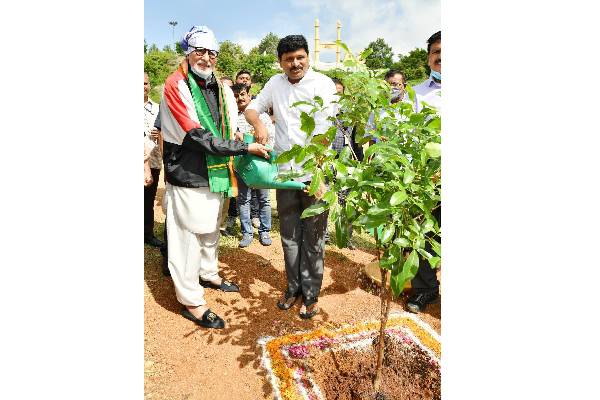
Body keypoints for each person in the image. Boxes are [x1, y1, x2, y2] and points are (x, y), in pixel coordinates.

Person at [160, 25, 270, 329]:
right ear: (188, 52)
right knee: (187, 237)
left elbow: (228, 122)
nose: (206, 57)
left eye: (212, 52)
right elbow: (197, 135)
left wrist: (236, 134)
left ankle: (208, 273)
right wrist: (243, 146)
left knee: (211, 228)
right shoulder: (175, 85)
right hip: (188, 170)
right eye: (200, 51)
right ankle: (191, 301)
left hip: (217, 170)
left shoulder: (218, 86)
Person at [244, 34, 337, 319]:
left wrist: (320, 174)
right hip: (284, 175)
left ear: (308, 57)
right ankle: (293, 287)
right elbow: (251, 108)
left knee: (314, 237)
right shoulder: (275, 83)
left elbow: (327, 133)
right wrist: (258, 121)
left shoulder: (323, 84)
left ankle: (310, 295)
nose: (295, 64)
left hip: (313, 175)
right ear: (280, 63)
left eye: (300, 57)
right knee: (289, 236)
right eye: (289, 59)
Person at [406, 30, 442, 314]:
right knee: (425, 236)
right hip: (427, 179)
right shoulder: (416, 94)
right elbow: (406, 134)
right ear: (429, 58)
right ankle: (425, 289)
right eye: (436, 51)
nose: (441, 56)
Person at [231, 83, 275, 247]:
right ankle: (247, 233)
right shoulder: (232, 117)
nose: (240, 98)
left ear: (249, 95)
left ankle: (265, 231)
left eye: (243, 94)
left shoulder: (260, 116)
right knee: (243, 200)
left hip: (262, 163)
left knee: (264, 199)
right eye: (236, 96)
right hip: (242, 165)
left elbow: (271, 136)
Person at [328, 78, 364, 249]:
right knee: (323, 199)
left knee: (346, 201)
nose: (336, 97)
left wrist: (359, 163)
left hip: (346, 164)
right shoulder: (321, 115)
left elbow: (357, 142)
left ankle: (346, 237)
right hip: (326, 162)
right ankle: (322, 235)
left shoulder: (352, 118)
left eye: (339, 93)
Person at [235, 70, 261, 227]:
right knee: (239, 191)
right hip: (236, 156)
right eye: (241, 78)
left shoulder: (258, 107)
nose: (244, 80)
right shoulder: (232, 110)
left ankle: (256, 215)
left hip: (255, 154)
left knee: (258, 191)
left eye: (247, 78)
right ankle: (235, 215)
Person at [144, 72, 164, 248]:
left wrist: (160, 134)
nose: (142, 87)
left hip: (154, 160)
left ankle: (147, 233)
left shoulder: (158, 108)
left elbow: (166, 132)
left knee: (148, 198)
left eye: (145, 83)